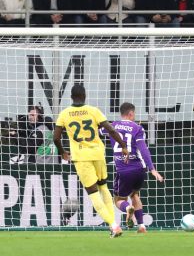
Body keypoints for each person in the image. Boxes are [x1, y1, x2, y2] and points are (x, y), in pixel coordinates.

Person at [53, 84, 129, 238]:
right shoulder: (93, 111)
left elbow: (56, 137)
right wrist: (123, 146)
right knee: (104, 188)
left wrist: (62, 152)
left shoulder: (65, 114)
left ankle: (114, 225)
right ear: (85, 95)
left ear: (71, 97)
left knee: (93, 194)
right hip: (98, 153)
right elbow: (111, 130)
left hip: (81, 157)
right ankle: (113, 225)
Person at [100, 102, 164, 233]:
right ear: (130, 113)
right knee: (135, 194)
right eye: (134, 113)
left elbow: (97, 131)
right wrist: (152, 168)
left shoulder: (112, 126)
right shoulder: (138, 128)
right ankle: (141, 226)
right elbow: (143, 148)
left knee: (118, 200)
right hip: (140, 170)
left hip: (124, 170)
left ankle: (128, 208)